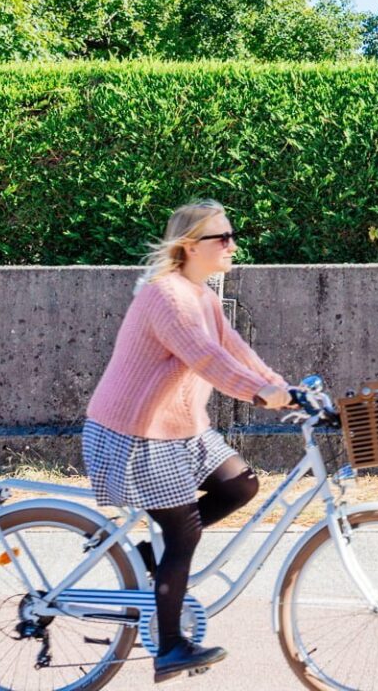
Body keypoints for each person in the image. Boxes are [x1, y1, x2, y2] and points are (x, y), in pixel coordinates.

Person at [82, 200, 291, 683]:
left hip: (180, 431)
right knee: (185, 531)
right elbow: (205, 359)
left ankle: (147, 561)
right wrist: (259, 392)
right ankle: (170, 647)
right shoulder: (166, 297)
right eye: (223, 237)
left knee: (239, 485)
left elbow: (234, 350)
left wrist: (284, 387)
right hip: (132, 435)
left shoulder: (202, 295)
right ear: (190, 246)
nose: (233, 245)